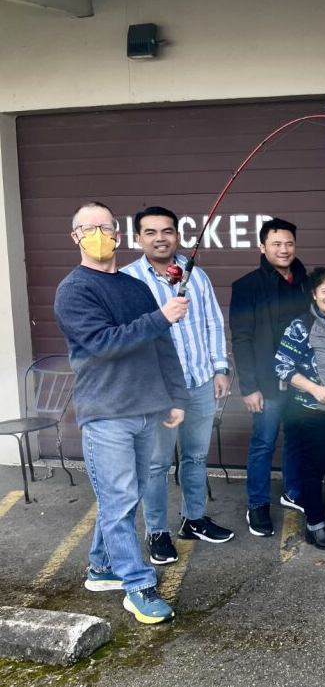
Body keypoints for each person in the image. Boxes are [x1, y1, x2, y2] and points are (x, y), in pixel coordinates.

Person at [55, 201, 189, 624]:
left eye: (106, 227)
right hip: (106, 412)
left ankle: (101, 568)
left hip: (148, 407)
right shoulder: (73, 290)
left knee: (124, 498)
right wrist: (161, 318)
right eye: (88, 228)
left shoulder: (135, 287)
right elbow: (103, 343)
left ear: (118, 234)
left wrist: (175, 396)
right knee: (117, 501)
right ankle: (138, 586)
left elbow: (162, 345)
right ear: (75, 237)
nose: (99, 234)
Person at [121, 206, 234, 565]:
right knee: (155, 465)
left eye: (167, 231)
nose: (160, 238)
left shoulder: (194, 274)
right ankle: (156, 530)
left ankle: (193, 518)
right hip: (158, 390)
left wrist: (220, 368)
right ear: (138, 238)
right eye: (150, 232)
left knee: (196, 456)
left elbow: (214, 324)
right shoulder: (127, 281)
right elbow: (126, 338)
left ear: (178, 236)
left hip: (199, 380)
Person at [230, 218, 309, 537]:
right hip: (265, 381)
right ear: (262, 247)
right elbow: (241, 338)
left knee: (296, 438)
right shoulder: (246, 286)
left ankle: (293, 492)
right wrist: (248, 387)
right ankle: (258, 505)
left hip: (301, 380)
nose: (284, 249)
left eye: (289, 243)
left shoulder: (306, 281)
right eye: (276, 244)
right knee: (263, 442)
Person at [274, 266, 325, 551]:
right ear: (314, 294)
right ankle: (315, 525)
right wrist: (314, 388)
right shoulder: (302, 325)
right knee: (313, 470)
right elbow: (281, 365)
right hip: (314, 410)